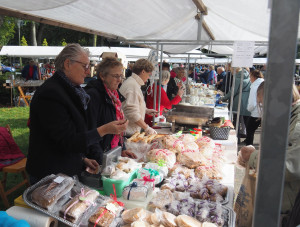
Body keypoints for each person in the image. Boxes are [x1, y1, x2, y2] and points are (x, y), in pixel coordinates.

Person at [26, 44, 127, 184]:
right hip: (50, 175)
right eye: (85, 66)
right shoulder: (52, 93)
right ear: (68, 64)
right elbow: (67, 140)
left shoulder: (70, 90)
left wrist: (82, 159)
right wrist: (105, 130)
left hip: (64, 169)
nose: (88, 72)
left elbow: (66, 135)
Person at [239, 82, 300, 219]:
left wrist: (253, 157)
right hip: (280, 200)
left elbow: (287, 168)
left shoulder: (297, 125)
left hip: (287, 208)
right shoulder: (287, 118)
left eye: (262, 104)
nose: (263, 109)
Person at [85, 57, 137, 163]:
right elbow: (91, 130)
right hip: (99, 157)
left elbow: (116, 129)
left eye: (121, 76)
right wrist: (102, 161)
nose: (119, 80)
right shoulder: (93, 95)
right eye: (115, 76)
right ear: (102, 76)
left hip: (111, 152)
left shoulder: (114, 95)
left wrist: (122, 149)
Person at [119, 59, 158, 136]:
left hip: (130, 132)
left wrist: (145, 110)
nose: (148, 77)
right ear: (143, 72)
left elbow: (132, 105)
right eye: (149, 74)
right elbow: (132, 113)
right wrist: (147, 128)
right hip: (128, 133)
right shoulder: (132, 85)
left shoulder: (133, 83)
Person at [221, 67, 251, 139]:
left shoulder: (238, 78)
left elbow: (233, 91)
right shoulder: (248, 77)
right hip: (248, 100)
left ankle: (236, 138)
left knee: (236, 121)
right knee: (247, 121)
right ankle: (249, 140)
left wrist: (223, 98)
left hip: (239, 100)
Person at [243, 70, 264, 145]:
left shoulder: (255, 86)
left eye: (250, 76)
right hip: (262, 111)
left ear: (254, 77)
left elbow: (252, 102)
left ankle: (248, 149)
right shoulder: (263, 84)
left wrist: (249, 109)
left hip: (256, 112)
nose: (249, 78)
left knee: (250, 131)